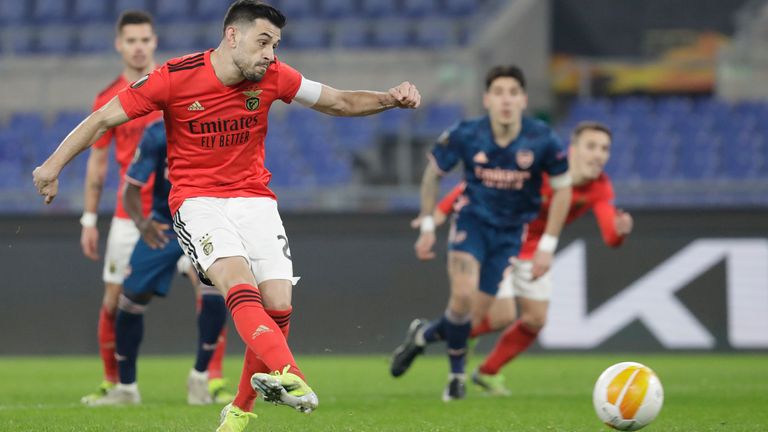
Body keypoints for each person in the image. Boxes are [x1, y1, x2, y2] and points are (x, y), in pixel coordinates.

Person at [33, 1, 420, 430]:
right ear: (232, 36)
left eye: (275, 44)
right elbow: (104, 117)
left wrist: (389, 98)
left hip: (255, 199)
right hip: (197, 202)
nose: (271, 53)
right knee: (236, 282)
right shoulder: (174, 78)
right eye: (263, 41)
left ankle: (239, 410)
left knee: (278, 304)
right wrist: (52, 165)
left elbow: (340, 102)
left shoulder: (273, 76)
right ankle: (292, 375)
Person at [390, 65, 572, 401]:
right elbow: (433, 175)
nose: (506, 100)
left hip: (510, 234)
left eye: (513, 93)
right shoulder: (467, 133)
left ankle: (421, 337)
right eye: (499, 93)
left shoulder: (541, 139)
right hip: (471, 223)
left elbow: (563, 189)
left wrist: (547, 244)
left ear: (523, 100)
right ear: (487, 99)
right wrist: (429, 224)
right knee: (461, 296)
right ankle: (456, 378)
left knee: (473, 315)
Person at [413, 121, 634, 396]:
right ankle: (446, 335)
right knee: (501, 315)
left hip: (536, 251)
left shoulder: (600, 187)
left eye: (605, 149)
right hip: (504, 239)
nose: (598, 154)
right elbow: (473, 189)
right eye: (591, 146)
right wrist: (438, 216)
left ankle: (484, 371)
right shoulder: (542, 169)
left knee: (535, 320)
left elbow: (611, 237)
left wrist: (621, 232)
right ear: (573, 150)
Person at [88, 119, 234, 406]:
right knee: (129, 299)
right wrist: (142, 224)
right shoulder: (157, 132)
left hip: (206, 223)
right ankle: (127, 388)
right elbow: (131, 187)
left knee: (215, 293)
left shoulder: (218, 124)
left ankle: (200, 378)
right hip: (164, 227)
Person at [78, 10, 163, 405]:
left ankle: (210, 378)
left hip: (177, 209)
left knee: (210, 288)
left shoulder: (174, 87)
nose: (139, 46)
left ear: (154, 41)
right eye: (131, 40)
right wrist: (90, 219)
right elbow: (97, 166)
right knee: (113, 300)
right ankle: (115, 383)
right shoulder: (107, 99)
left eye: (144, 39)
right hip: (130, 216)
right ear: (120, 45)